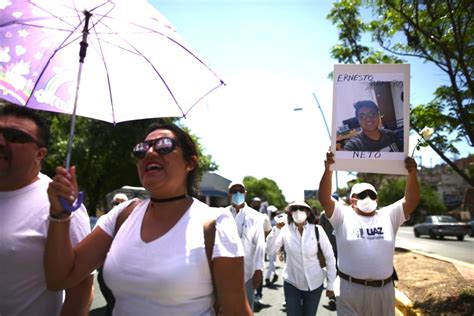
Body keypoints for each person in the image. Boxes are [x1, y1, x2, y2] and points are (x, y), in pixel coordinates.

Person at [45, 122, 252, 315]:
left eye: (163, 146)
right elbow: (60, 277)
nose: (150, 153)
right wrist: (59, 214)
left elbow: (236, 311)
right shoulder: (121, 215)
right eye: (141, 149)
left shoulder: (215, 224)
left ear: (190, 163)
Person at [0, 103, 92, 316]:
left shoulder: (62, 206)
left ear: (40, 153)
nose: (1, 141)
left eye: (14, 136)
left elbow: (80, 291)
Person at [318, 151, 420, 316]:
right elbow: (324, 199)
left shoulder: (388, 215)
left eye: (372, 195)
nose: (368, 198)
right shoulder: (343, 215)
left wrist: (412, 174)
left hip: (384, 291)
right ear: (352, 200)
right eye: (362, 195)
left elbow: (411, 200)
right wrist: (328, 169)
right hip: (350, 290)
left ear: (377, 199)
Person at [265, 201, 337, 316]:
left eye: (302, 209)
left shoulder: (317, 230)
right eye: (295, 209)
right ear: (290, 213)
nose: (298, 212)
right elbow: (270, 250)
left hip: (315, 283)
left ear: (308, 213)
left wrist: (331, 284)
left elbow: (329, 257)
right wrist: (276, 229)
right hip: (292, 282)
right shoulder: (284, 230)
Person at [225, 182, 265, 311]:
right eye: (234, 191)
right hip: (224, 271)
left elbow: (260, 244)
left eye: (240, 191)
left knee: (246, 308)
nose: (237, 193)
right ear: (228, 194)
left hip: (248, 272)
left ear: (245, 193)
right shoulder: (221, 215)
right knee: (225, 309)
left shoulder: (256, 216)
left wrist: (259, 269)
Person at [97, 193, 130, 316]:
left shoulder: (136, 221)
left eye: (122, 202)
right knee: (112, 305)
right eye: (116, 202)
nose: (119, 205)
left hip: (126, 273)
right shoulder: (105, 220)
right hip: (106, 268)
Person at [264, 205, 279, 287]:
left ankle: (267, 278)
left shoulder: (277, 221)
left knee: (271, 261)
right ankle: (275, 274)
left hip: (274, 244)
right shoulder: (267, 220)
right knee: (271, 261)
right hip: (267, 243)